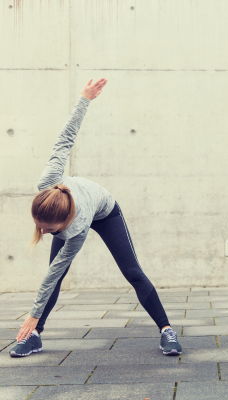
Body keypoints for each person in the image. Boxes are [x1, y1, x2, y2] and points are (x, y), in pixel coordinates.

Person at [10, 79, 182, 357]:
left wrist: (31, 313)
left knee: (132, 272)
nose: (41, 233)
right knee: (56, 275)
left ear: (63, 224)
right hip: (74, 206)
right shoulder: (48, 180)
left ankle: (166, 330)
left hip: (105, 210)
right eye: (39, 226)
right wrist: (84, 99)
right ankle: (35, 336)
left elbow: (51, 274)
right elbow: (65, 138)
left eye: (48, 229)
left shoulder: (75, 231)